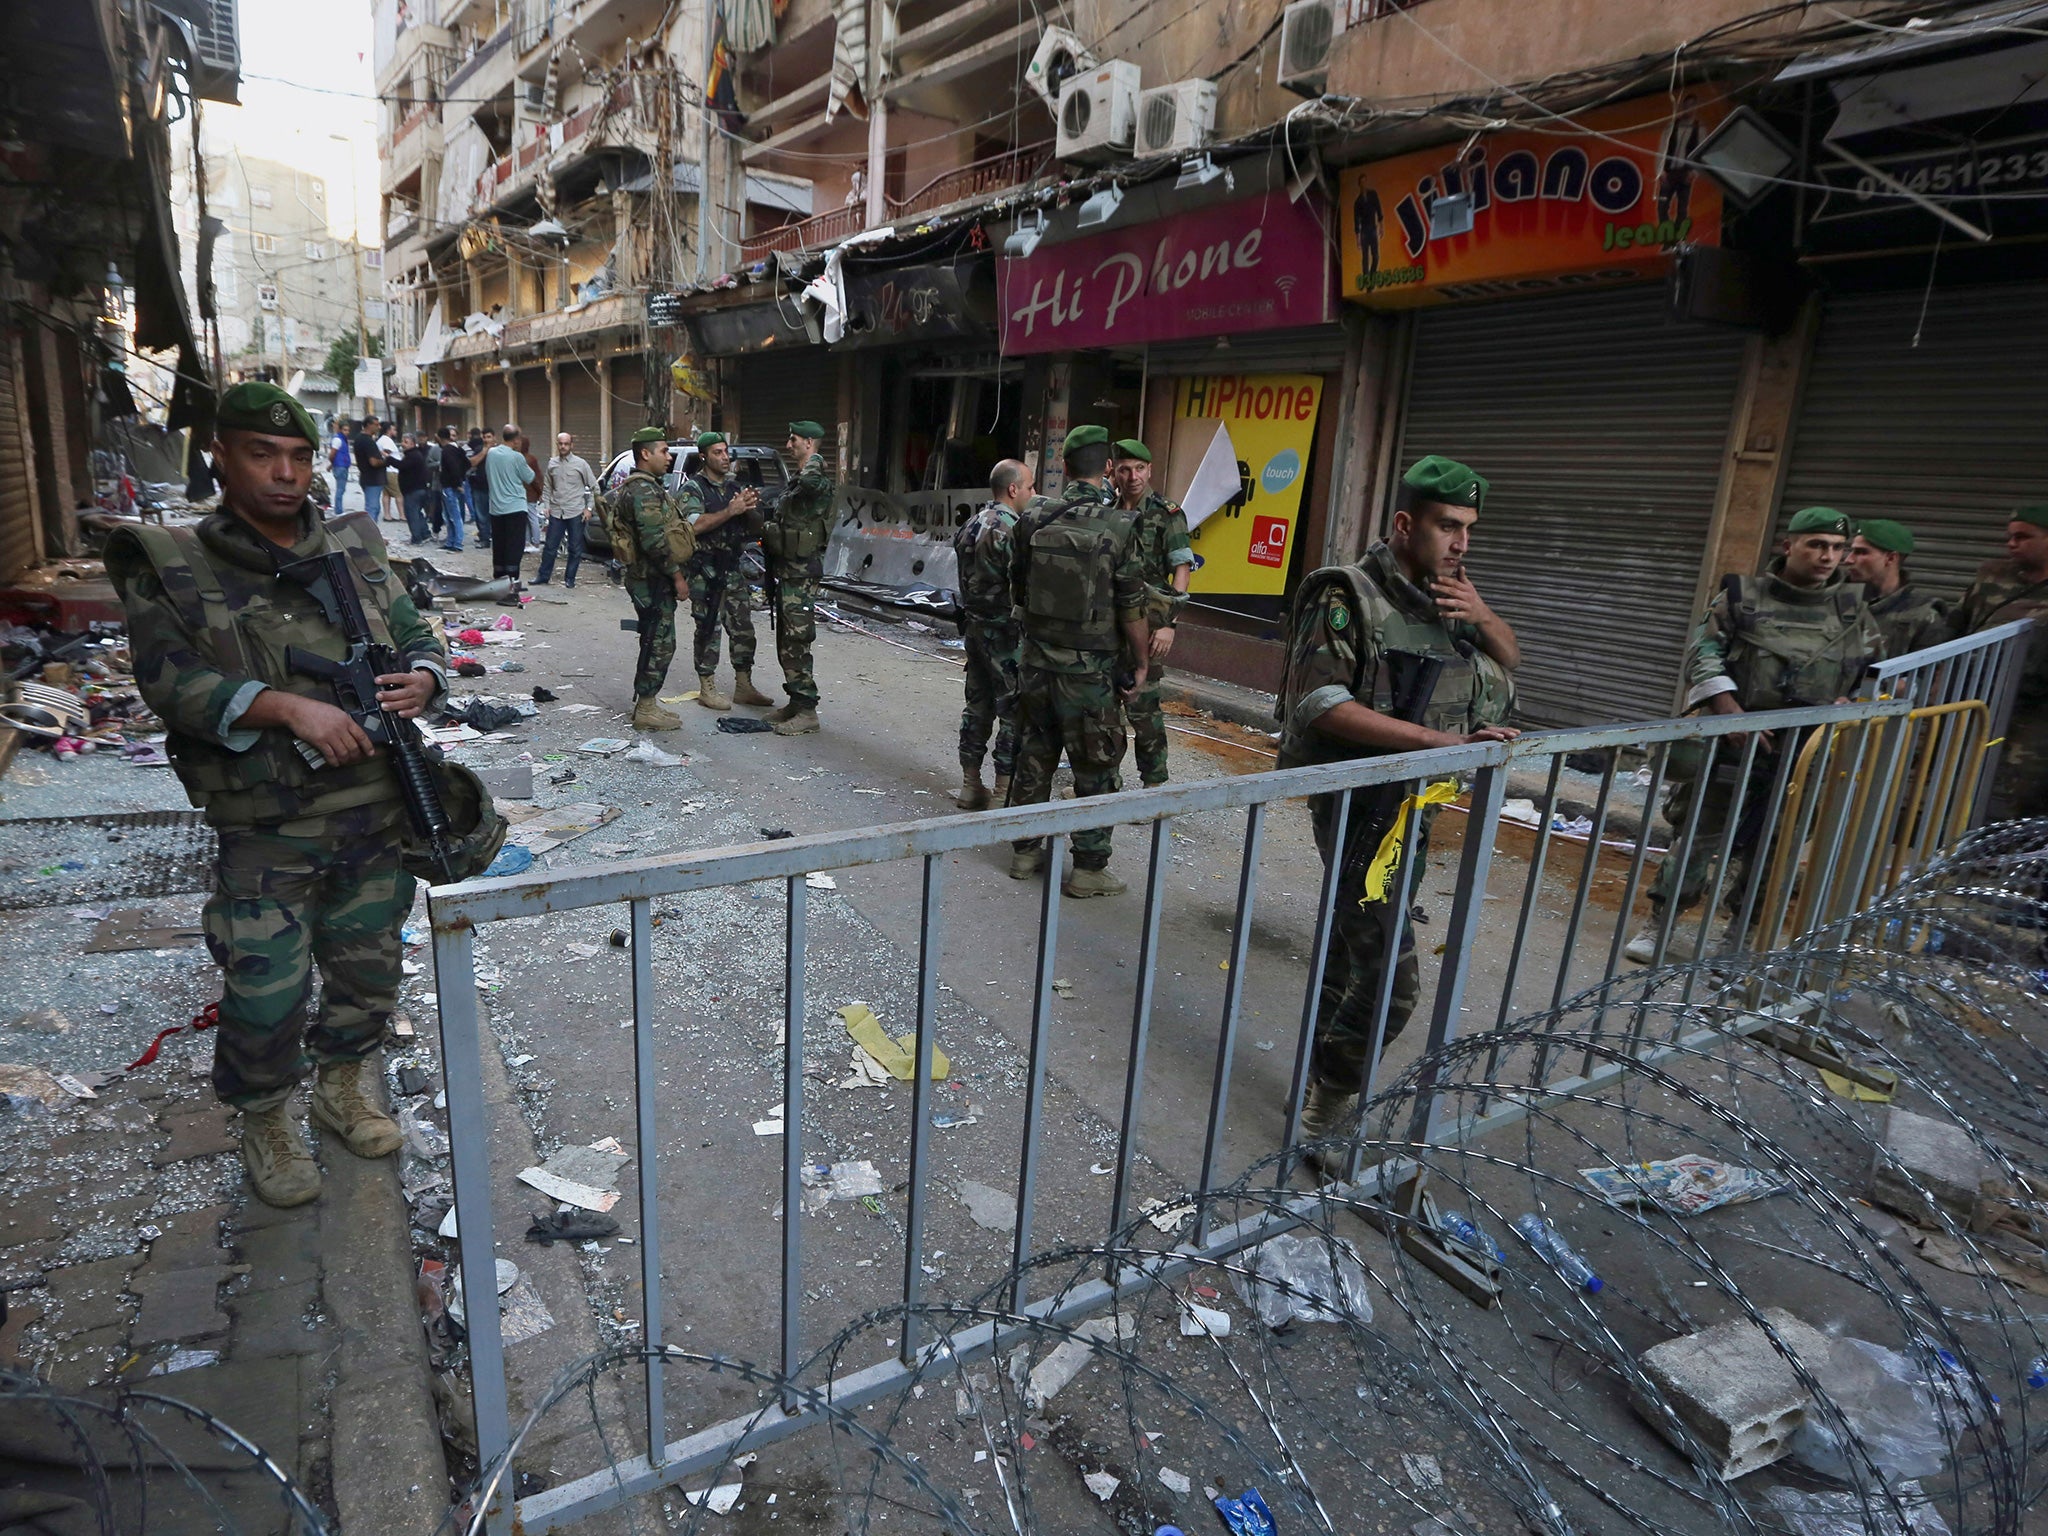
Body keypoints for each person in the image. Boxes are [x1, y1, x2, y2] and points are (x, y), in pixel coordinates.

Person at [103, 382, 447, 1208]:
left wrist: (425, 678)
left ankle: (341, 1089)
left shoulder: (353, 545)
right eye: (263, 454)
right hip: (268, 824)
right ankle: (265, 1119)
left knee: (368, 973)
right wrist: (286, 706)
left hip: (373, 805)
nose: (285, 474)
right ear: (220, 455)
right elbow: (171, 684)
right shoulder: (175, 561)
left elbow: (415, 629)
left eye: (297, 456)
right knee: (266, 990)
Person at [1277, 455, 1520, 1145]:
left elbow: (1510, 657)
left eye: (1470, 528)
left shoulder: (1450, 596)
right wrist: (1432, 743)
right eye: (1448, 526)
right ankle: (1330, 1110)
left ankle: (1317, 1075)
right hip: (1361, 807)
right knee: (1393, 984)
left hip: (1417, 806)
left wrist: (1484, 614)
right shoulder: (1346, 593)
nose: (1462, 543)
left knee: (1348, 958)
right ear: (1405, 523)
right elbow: (1320, 702)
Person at [1626, 506, 1883, 961]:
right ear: (1789, 546)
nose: (1828, 556)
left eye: (1837, 548)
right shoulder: (1742, 597)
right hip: (1738, 740)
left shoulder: (1852, 610)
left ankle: (1740, 939)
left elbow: (1877, 675)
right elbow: (1702, 654)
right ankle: (1659, 924)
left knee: (1777, 849)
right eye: (1816, 545)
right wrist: (1730, 712)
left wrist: (1855, 705)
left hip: (1808, 751)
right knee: (1701, 837)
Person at [1005, 425, 1152, 897]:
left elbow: (1018, 586)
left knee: (1035, 752)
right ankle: (1088, 869)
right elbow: (1132, 608)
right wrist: (1142, 663)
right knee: (1096, 764)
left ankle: (1025, 852)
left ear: (1064, 467)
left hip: (1035, 666)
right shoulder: (1120, 525)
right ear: (1108, 469)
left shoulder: (1032, 516)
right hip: (1089, 675)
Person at [1949, 504, 2048, 820]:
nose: (2011, 544)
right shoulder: (1992, 575)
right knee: (1963, 784)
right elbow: (1955, 623)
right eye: (2009, 536)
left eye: (2023, 537)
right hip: (1979, 701)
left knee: (2021, 794)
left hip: (2034, 712)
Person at [1112, 438, 1194, 787]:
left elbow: (1182, 568)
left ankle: (1154, 784)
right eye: (1125, 469)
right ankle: (1105, 782)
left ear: (1150, 470)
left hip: (1149, 625)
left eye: (1140, 469)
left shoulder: (1167, 513)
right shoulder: (1108, 510)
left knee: (1143, 710)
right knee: (1105, 710)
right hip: (1110, 623)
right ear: (1113, 473)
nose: (1133, 477)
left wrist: (1170, 624)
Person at [953, 458, 1033, 808]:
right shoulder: (1014, 530)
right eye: (1030, 487)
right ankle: (1003, 791)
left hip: (974, 629)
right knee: (1013, 712)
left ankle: (971, 784)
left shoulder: (970, 524)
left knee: (977, 706)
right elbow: (1023, 587)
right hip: (1006, 636)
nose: (1034, 493)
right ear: (1013, 489)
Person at [604, 426, 694, 733]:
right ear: (646, 454)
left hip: (650, 578)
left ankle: (648, 703)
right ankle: (645, 707)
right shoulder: (643, 491)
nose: (668, 457)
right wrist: (678, 577)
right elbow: (655, 542)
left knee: (655, 639)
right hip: (651, 579)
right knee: (660, 642)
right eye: (664, 451)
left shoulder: (646, 487)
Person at [677, 431, 771, 710]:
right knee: (708, 628)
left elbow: (754, 528)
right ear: (704, 456)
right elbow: (694, 525)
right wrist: (730, 511)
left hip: (732, 568)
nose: (724, 457)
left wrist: (751, 509)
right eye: (717, 452)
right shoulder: (693, 489)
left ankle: (744, 685)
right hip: (705, 571)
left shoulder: (734, 489)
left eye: (726, 451)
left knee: (743, 628)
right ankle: (707, 686)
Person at [762, 419, 837, 736]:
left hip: (802, 572)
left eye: (793, 440)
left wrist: (815, 460)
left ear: (809, 442)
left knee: (796, 640)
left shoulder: (814, 476)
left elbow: (812, 484)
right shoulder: (799, 479)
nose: (788, 445)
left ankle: (807, 711)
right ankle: (796, 701)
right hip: (789, 571)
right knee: (786, 640)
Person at [1846, 519, 1947, 657]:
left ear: (1891, 558)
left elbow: (1924, 674)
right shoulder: (1836, 600)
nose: (1848, 559)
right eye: (1852, 551)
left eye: (1861, 552)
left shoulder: (1923, 615)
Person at [535, 430, 598, 588]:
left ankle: (570, 579)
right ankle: (543, 577)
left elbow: (595, 488)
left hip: (576, 512)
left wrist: (588, 508)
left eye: (566, 444)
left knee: (575, 548)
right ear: (557, 445)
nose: (563, 446)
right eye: (560, 444)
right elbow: (548, 487)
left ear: (571, 445)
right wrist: (547, 506)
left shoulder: (581, 464)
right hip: (557, 511)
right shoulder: (552, 463)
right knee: (550, 547)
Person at [483, 423, 536, 597]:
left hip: (496, 508)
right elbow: (530, 476)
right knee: (514, 546)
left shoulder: (491, 454)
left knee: (499, 545)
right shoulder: (517, 457)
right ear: (516, 440)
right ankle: (512, 582)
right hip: (515, 507)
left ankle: (499, 580)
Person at [397, 432, 435, 545]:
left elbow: (402, 466)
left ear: (413, 444)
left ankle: (417, 538)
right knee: (417, 513)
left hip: (413, 490)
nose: (403, 444)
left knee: (412, 514)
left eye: (406, 442)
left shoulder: (413, 455)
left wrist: (388, 459)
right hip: (416, 489)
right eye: (403, 441)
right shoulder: (413, 454)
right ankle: (425, 534)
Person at [437, 426, 470, 551]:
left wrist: (457, 483)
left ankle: (457, 543)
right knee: (451, 515)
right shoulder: (457, 449)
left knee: (453, 516)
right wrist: (461, 479)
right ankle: (451, 541)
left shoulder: (446, 451)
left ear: (439, 437)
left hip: (449, 486)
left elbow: (453, 468)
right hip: (453, 485)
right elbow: (467, 464)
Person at [350, 417, 387, 521]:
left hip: (366, 477)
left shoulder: (359, 439)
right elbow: (374, 462)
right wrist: (386, 461)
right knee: (372, 508)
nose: (378, 427)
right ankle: (370, 535)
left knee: (374, 507)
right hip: (373, 479)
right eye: (376, 424)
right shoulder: (368, 441)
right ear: (368, 425)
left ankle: (373, 533)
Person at [466, 428, 492, 548]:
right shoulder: (479, 449)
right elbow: (473, 462)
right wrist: (485, 451)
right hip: (480, 486)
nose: (486, 439)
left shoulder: (499, 450)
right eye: (484, 437)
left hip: (494, 488)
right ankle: (484, 538)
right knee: (481, 515)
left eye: (489, 437)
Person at [375, 419, 401, 518]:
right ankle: (402, 515)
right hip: (392, 470)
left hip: (385, 470)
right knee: (399, 494)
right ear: (389, 430)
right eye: (394, 429)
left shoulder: (381, 439)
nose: (395, 432)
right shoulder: (387, 440)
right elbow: (386, 453)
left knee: (386, 494)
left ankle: (387, 515)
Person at [328, 418, 352, 512]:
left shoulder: (342, 439)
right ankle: (338, 510)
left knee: (340, 489)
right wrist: (333, 463)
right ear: (340, 429)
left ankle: (338, 509)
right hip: (340, 467)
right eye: (345, 430)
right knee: (340, 490)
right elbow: (332, 454)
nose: (347, 432)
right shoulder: (338, 440)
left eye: (348, 430)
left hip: (341, 466)